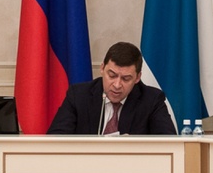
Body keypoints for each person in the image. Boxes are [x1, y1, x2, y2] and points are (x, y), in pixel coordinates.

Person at [47, 41, 176, 135]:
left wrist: (135, 146)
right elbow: (56, 139)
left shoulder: (152, 100)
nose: (117, 85)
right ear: (102, 68)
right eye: (112, 75)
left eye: (126, 79)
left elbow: (168, 142)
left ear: (137, 78)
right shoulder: (79, 95)